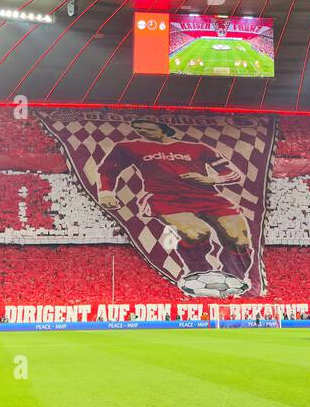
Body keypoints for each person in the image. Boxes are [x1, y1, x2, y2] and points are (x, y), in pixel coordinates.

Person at [95, 119, 251, 289]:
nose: (142, 130)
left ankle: (234, 278)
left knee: (238, 236)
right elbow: (107, 170)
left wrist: (211, 179)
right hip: (165, 198)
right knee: (196, 233)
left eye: (147, 126)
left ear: (163, 128)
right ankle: (199, 273)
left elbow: (234, 174)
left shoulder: (198, 148)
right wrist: (106, 192)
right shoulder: (128, 147)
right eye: (137, 128)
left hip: (208, 197)